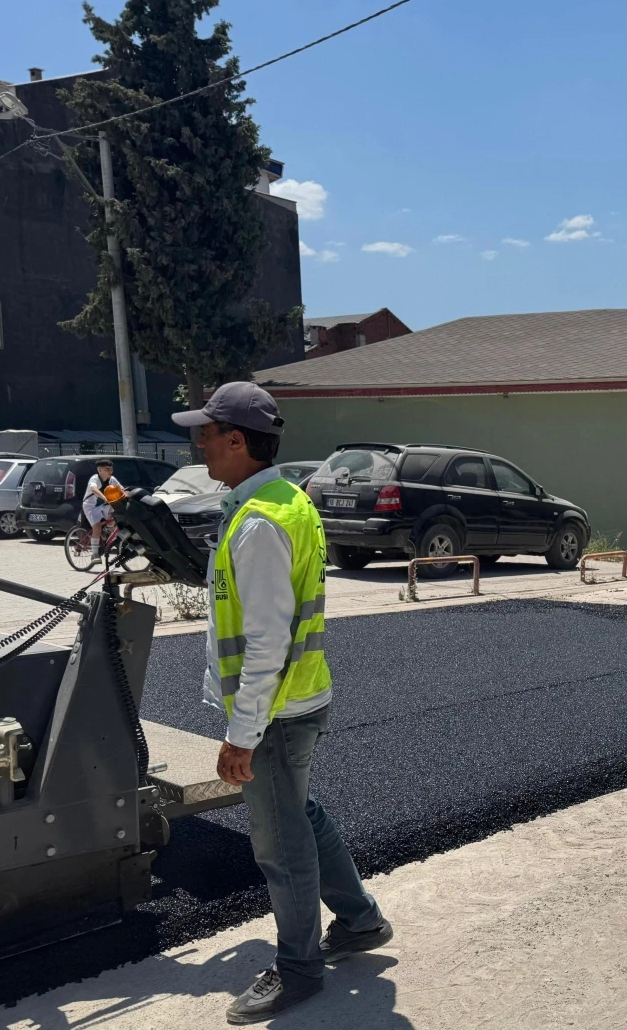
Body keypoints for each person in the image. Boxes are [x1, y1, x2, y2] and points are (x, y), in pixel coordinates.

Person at [172, 381, 391, 1025]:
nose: (200, 444)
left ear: (237, 441)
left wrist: (242, 734)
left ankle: (298, 969)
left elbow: (266, 641)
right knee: (299, 813)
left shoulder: (260, 522)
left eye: (207, 433)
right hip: (299, 696)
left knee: (281, 846)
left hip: (275, 712)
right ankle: (360, 920)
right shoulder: (284, 501)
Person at [82, 459, 124, 565]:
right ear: (99, 470)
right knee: (97, 527)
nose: (110, 471)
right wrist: (105, 498)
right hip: (91, 507)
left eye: (111, 469)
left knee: (115, 515)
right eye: (107, 469)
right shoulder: (95, 478)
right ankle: (94, 554)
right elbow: (93, 489)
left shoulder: (112, 479)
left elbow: (122, 490)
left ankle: (107, 531)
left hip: (104, 506)